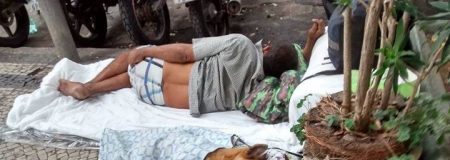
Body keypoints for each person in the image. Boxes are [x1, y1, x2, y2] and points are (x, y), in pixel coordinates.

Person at [58, 19, 325, 116]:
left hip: (154, 72)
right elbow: (294, 63)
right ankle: (91, 88)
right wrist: (310, 42)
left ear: (264, 49)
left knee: (133, 56)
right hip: (160, 98)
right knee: (131, 79)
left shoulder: (240, 45)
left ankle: (89, 86)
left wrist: (148, 49)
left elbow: (184, 53)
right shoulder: (258, 91)